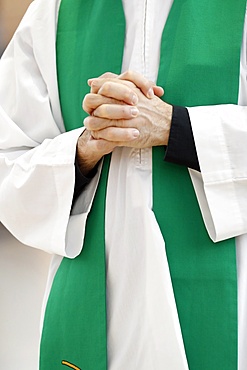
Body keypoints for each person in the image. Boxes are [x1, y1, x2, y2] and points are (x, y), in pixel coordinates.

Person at [0, 0, 247, 369]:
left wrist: (175, 127)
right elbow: (9, 161)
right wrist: (83, 148)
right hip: (100, 307)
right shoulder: (56, 9)